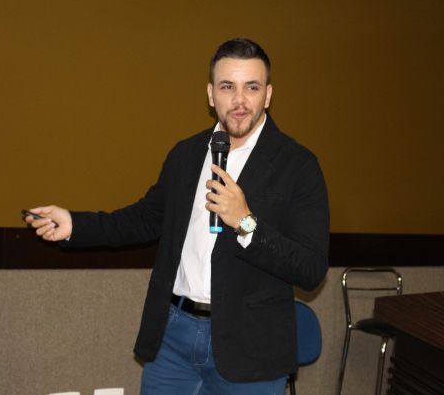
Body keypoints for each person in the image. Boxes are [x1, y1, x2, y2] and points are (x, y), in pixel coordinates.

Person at [25, 38, 329, 394]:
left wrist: (245, 222)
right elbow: (144, 219)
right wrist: (76, 225)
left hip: (250, 348)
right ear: (211, 94)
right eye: (227, 87)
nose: (240, 100)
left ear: (268, 94)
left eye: (252, 87)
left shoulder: (298, 165)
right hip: (174, 338)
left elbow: (310, 269)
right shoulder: (186, 154)